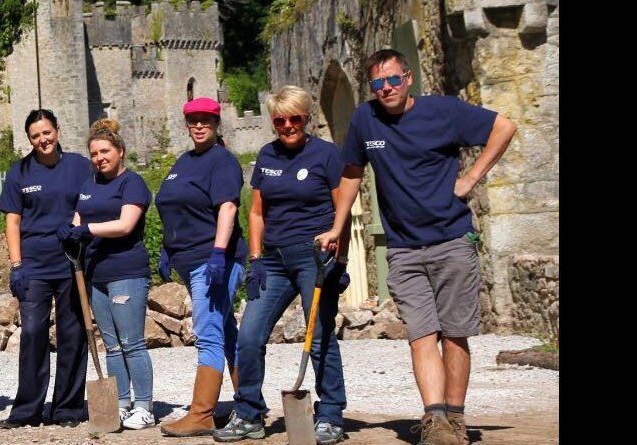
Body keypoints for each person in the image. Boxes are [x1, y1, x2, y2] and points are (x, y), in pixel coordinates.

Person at [315, 49, 516, 445]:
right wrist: (337, 226)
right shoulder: (364, 119)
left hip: (452, 240)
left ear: (408, 78)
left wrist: (471, 177)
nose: (386, 88)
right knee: (422, 334)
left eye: (393, 80)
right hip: (403, 249)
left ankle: (455, 419)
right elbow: (352, 173)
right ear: (370, 87)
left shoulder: (443, 111)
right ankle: (435, 420)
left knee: (455, 335)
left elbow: (504, 127)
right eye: (377, 83)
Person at [214, 86, 349, 444]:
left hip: (314, 257)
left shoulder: (326, 155)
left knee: (318, 336)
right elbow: (257, 212)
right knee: (249, 335)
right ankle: (249, 415)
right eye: (279, 120)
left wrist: (341, 258)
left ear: (305, 118)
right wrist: (255, 259)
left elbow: (342, 212)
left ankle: (331, 414)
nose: (287, 125)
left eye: (295, 119)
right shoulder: (266, 156)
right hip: (272, 260)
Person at [154, 97, 247, 437]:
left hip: (213, 261)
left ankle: (202, 414)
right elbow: (173, 206)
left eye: (206, 119)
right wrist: (167, 246)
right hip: (190, 259)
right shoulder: (184, 161)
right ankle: (250, 404)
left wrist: (219, 253)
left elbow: (227, 208)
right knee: (226, 334)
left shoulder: (221, 161)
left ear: (216, 123)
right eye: (193, 120)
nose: (199, 125)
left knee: (207, 333)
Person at [0, 109, 94, 429]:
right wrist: (16, 266)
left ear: (57, 130)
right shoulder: (20, 172)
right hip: (34, 267)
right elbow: (12, 221)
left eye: (47, 132)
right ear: (29, 139)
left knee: (72, 334)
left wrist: (80, 231)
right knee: (34, 334)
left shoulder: (80, 166)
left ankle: (67, 407)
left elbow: (92, 203)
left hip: (72, 263)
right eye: (36, 135)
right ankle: (27, 409)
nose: (43, 139)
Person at [58, 118, 156, 429]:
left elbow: (125, 224)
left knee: (132, 342)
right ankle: (122, 402)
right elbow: (78, 218)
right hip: (95, 274)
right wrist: (70, 230)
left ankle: (145, 406)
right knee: (112, 345)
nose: (100, 158)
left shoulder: (132, 184)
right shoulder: (89, 185)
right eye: (95, 154)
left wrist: (86, 230)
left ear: (120, 151)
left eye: (105, 151)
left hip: (126, 271)